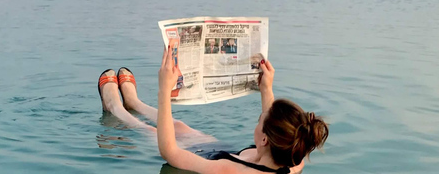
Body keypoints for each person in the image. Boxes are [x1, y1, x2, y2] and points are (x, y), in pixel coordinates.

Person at [97, 49, 328, 173]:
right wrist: (266, 88)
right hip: (228, 151)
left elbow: (170, 152)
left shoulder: (229, 172)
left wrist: (164, 89)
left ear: (266, 139)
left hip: (209, 159)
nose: (258, 120)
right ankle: (135, 103)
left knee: (150, 131)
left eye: (259, 120)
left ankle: (117, 109)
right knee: (180, 127)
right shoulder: (294, 159)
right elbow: (275, 126)